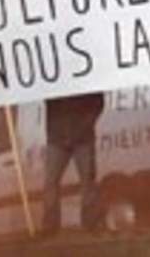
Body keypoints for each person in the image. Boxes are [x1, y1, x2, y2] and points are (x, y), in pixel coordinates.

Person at [41, 92, 106, 236]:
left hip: (81, 138)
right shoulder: (54, 82)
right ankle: (50, 227)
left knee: (87, 182)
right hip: (58, 138)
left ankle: (91, 224)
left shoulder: (84, 81)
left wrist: (85, 125)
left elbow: (98, 102)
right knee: (51, 182)